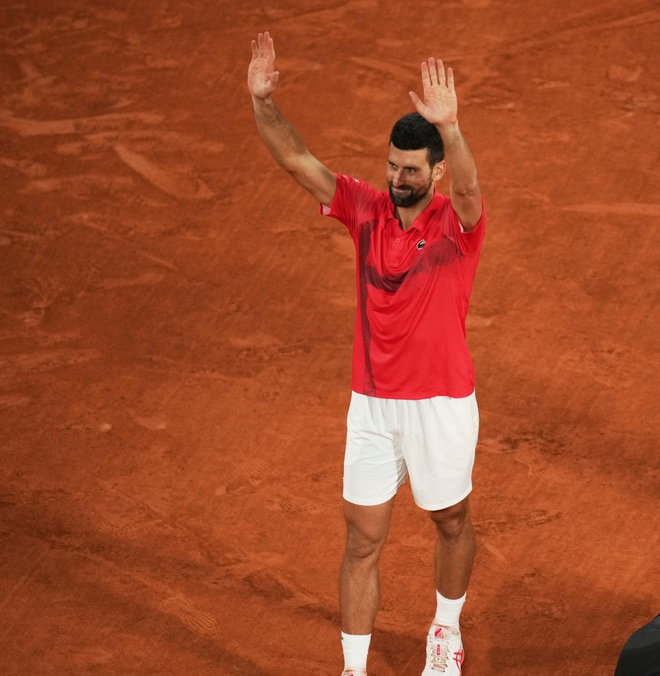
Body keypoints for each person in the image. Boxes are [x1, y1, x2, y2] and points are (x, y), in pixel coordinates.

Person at [247, 32, 485, 675]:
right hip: (374, 406)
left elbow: (468, 189)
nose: (398, 178)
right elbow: (299, 162)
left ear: (433, 171)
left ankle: (445, 628)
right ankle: (353, 670)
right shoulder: (365, 208)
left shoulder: (455, 226)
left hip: (441, 402)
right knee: (362, 541)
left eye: (411, 169)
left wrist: (453, 130)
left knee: (452, 521)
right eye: (392, 166)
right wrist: (263, 103)